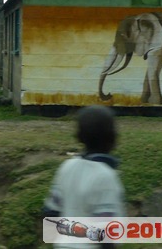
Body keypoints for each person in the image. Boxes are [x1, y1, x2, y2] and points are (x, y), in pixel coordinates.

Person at [43, 105, 125, 247]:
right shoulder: (105, 176)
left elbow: (50, 212)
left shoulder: (67, 167)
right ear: (112, 138)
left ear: (79, 137)